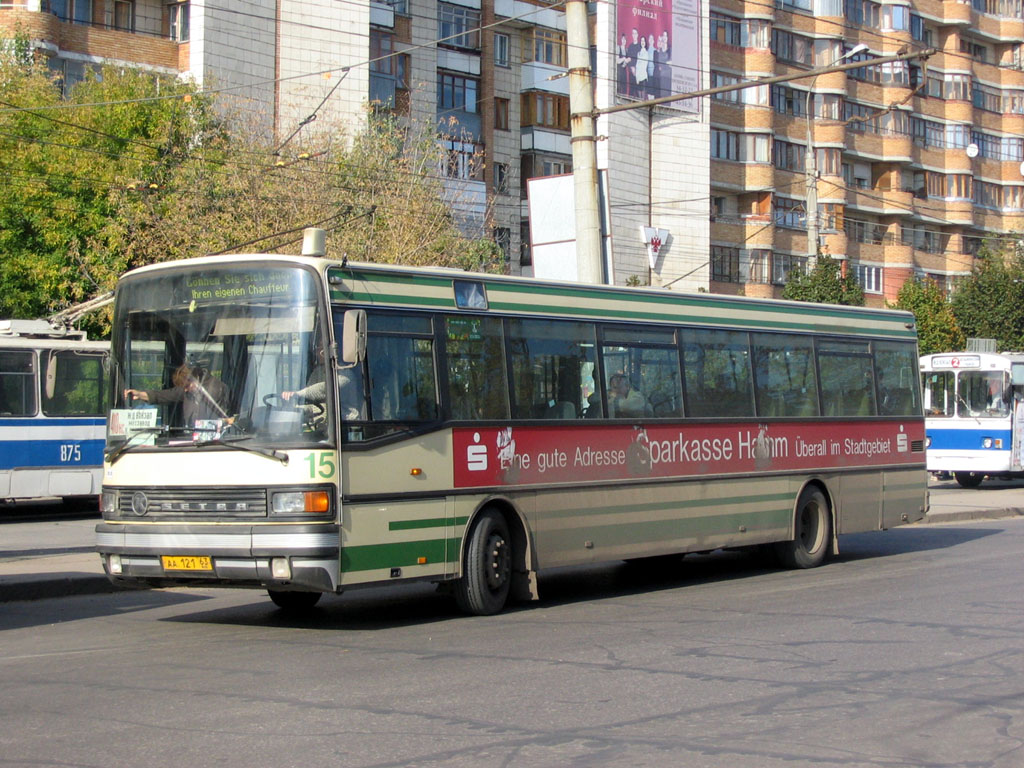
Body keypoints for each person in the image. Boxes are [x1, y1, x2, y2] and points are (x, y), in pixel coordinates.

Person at [124, 363, 230, 425]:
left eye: (187, 387)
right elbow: (164, 395)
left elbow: (221, 420)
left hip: (212, 443)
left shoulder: (216, 389)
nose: (185, 390)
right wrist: (139, 394)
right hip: (193, 439)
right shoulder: (188, 390)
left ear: (195, 379)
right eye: (183, 388)